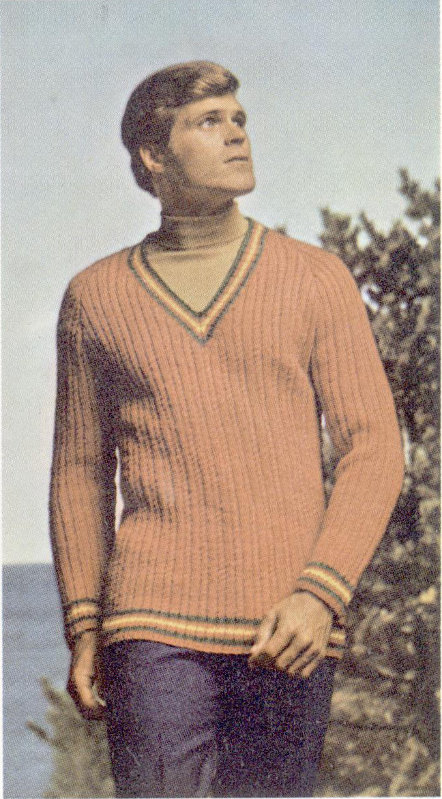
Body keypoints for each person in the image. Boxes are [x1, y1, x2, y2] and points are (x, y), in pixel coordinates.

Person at [49, 61, 404, 798]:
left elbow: (373, 447)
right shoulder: (96, 297)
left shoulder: (316, 279)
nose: (237, 133)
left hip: (289, 624)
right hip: (149, 625)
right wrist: (84, 625)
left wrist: (321, 593)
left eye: (238, 118)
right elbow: (80, 470)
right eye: (209, 122)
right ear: (153, 154)